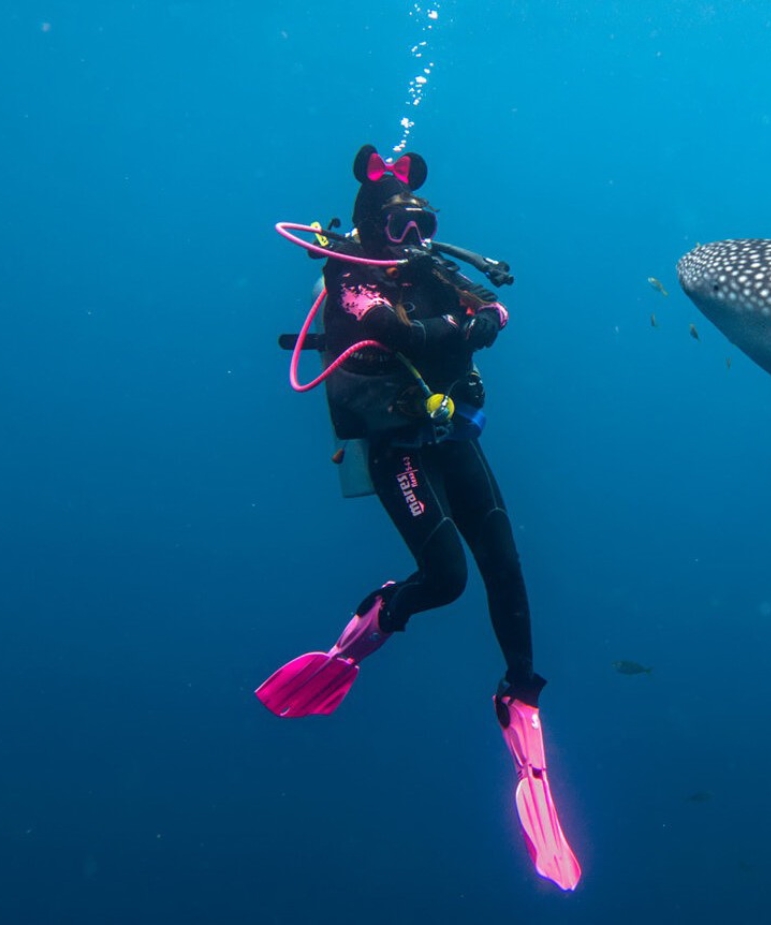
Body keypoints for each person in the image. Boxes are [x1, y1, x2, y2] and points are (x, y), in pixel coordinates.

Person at [258, 145, 581, 891]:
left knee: (507, 565)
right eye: (398, 228)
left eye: (421, 226)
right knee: (447, 578)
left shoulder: (430, 267)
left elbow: (490, 306)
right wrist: (471, 328)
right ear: (372, 225)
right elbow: (402, 335)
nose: (412, 241)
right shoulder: (348, 275)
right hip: (396, 446)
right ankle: (372, 624)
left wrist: (480, 313)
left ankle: (521, 696)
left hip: (450, 432)